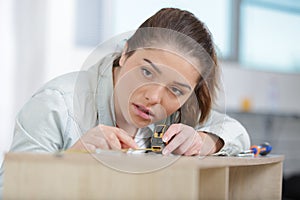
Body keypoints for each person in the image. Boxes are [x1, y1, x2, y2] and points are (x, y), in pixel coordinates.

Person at [0, 7, 250, 197]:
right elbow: (8, 190)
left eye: (175, 89)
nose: (154, 97)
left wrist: (204, 141)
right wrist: (71, 159)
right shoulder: (56, 104)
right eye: (147, 72)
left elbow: (235, 131)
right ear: (125, 53)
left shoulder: (174, 115)